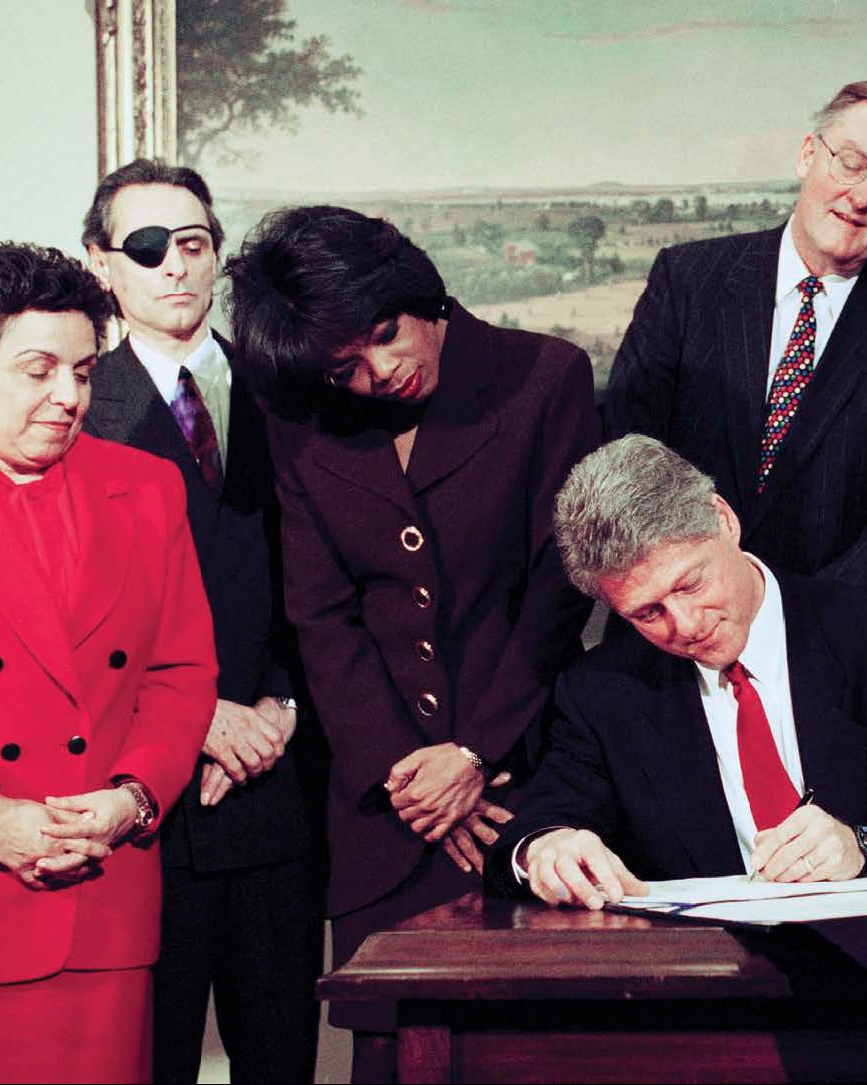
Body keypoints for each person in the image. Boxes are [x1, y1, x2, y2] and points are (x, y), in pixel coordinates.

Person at [223, 206, 600, 1082]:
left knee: (538, 1049)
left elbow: (557, 588)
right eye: (344, 365)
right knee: (391, 1058)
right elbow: (319, 615)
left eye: (385, 335)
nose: (379, 372)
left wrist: (474, 752)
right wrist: (411, 771)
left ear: (414, 291)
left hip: (525, 779)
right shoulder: (303, 420)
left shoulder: (544, 376)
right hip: (384, 809)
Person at [484, 435, 867, 908]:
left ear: (724, 521)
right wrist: (545, 848)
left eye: (690, 584)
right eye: (647, 613)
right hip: (708, 992)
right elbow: (531, 833)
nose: (684, 625)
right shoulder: (604, 689)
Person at [0, 242, 217, 1083]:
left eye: (85, 372)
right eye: (38, 370)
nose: (69, 396)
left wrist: (131, 797)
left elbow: (180, 671)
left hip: (105, 904)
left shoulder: (148, 485)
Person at [80, 158, 321, 1084]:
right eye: (146, 247)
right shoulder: (74, 409)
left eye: (192, 242)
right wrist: (197, 716)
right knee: (149, 1063)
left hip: (274, 784)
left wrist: (280, 708)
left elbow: (335, 580)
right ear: (102, 265)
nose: (174, 265)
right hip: (146, 806)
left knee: (280, 1063)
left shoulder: (292, 391)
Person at [605, 80, 867, 593]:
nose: (861, 198)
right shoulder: (689, 280)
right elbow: (627, 453)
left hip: (829, 644)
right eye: (850, 163)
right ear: (808, 154)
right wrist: (690, 600)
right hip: (670, 626)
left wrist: (786, 628)